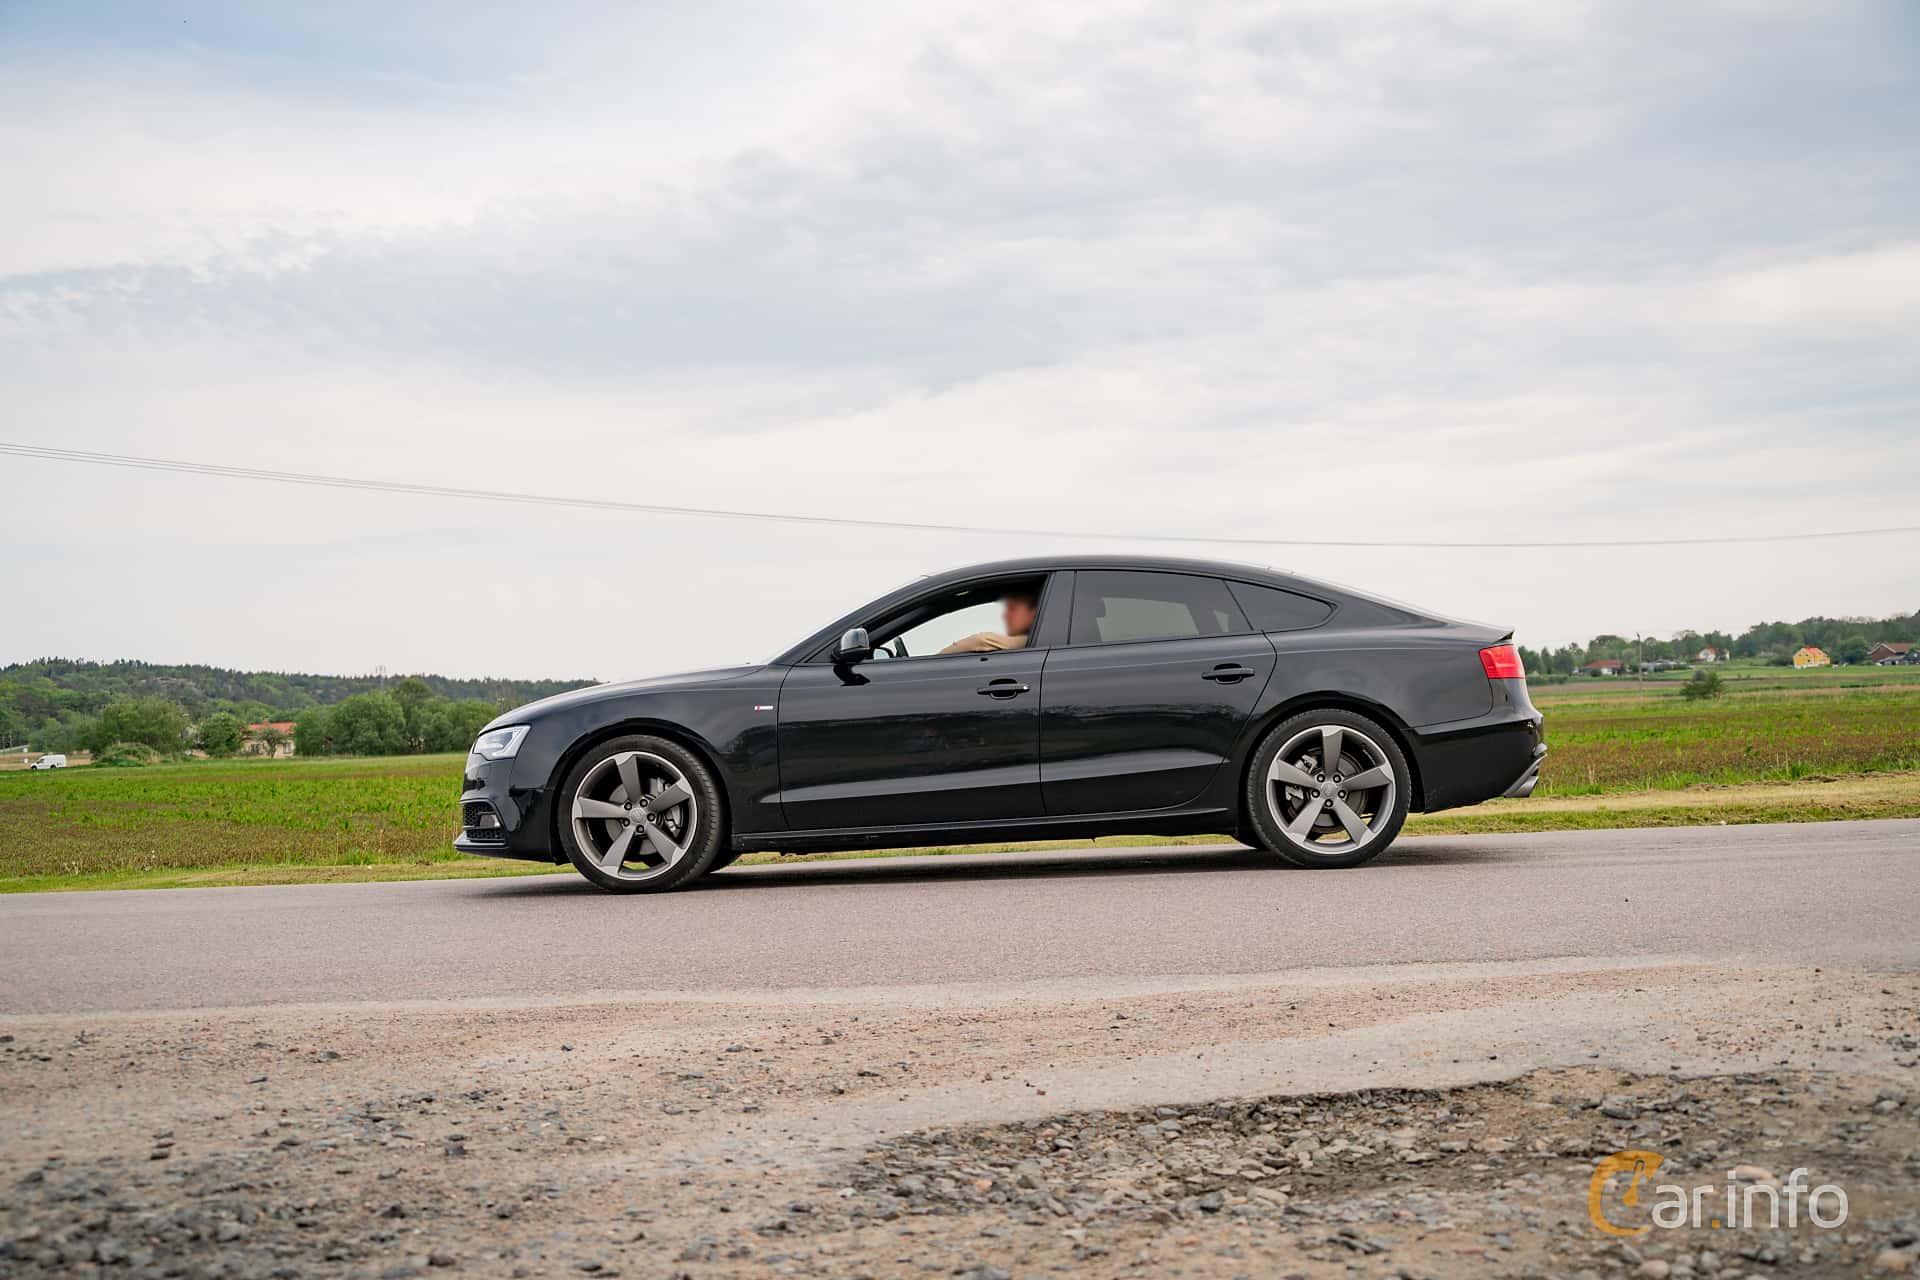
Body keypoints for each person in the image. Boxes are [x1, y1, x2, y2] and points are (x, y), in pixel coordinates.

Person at [939, 590, 1038, 654]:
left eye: (1012, 609)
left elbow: (982, 641)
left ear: (1034, 612)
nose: (1005, 616)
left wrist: (937, 659)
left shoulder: (1031, 642)